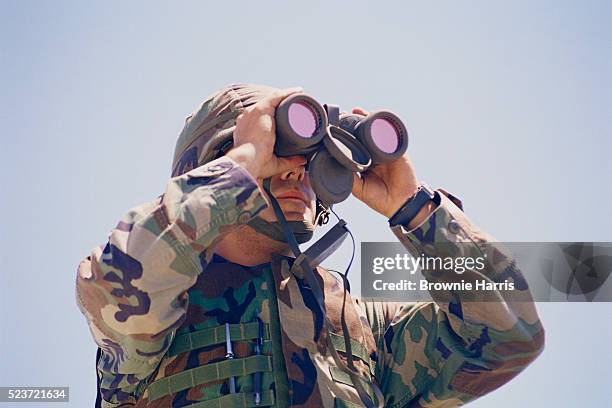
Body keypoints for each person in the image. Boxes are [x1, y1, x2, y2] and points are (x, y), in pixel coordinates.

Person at [76, 84, 545, 407]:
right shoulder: (162, 306)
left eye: (308, 158)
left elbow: (508, 335)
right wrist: (244, 161)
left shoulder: (362, 325)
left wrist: (415, 210)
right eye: (277, 153)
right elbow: (126, 273)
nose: (296, 170)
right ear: (214, 166)